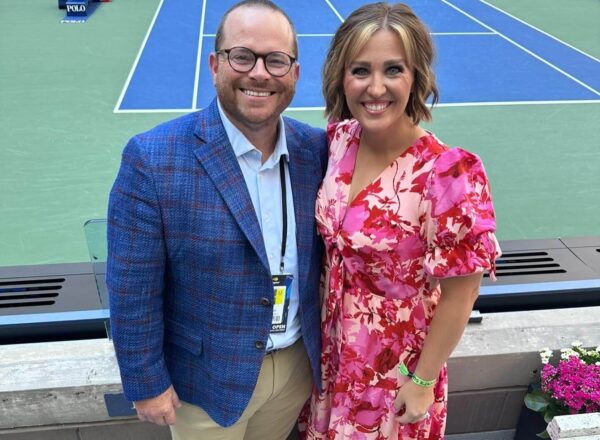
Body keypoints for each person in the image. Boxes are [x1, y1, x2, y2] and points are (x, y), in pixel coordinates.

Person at [106, 1, 327, 439]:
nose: (259, 73)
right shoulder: (152, 158)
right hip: (205, 387)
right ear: (215, 65)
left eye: (276, 60)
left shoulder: (316, 151)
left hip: (296, 372)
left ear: (295, 74)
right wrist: (146, 382)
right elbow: (132, 286)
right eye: (242, 56)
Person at [299, 3, 501, 439]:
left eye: (393, 69)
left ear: (416, 77)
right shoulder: (337, 142)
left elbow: (461, 294)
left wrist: (424, 381)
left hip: (395, 375)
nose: (376, 88)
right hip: (330, 361)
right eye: (360, 70)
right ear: (341, 77)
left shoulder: (448, 173)